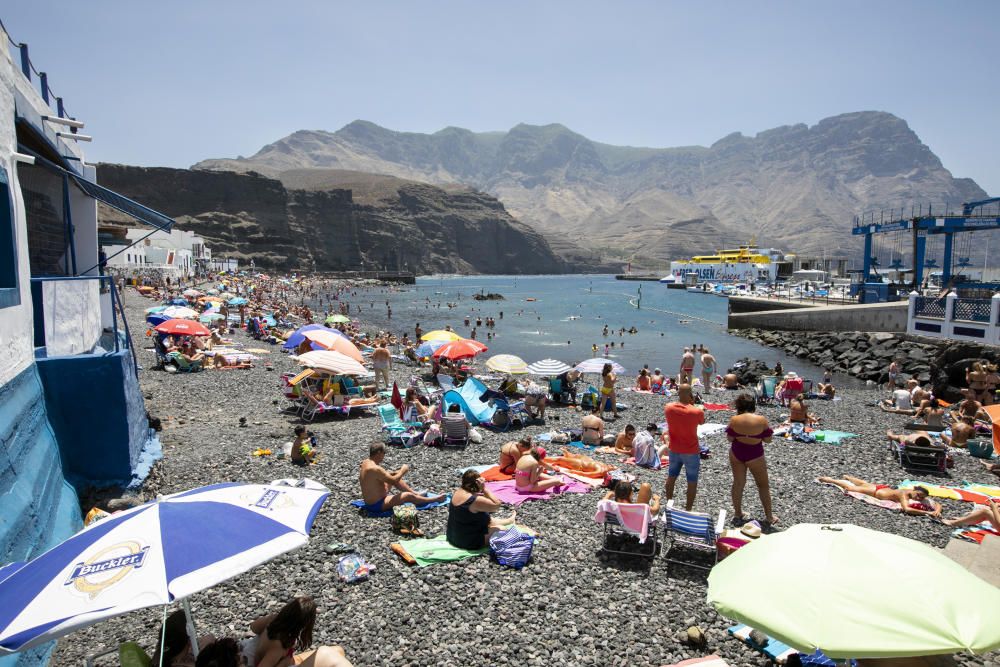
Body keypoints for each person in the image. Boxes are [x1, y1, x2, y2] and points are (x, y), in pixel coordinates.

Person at [242, 596, 353, 667]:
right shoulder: (278, 646)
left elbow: (253, 627)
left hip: (289, 660)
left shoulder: (273, 621)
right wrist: (284, 663)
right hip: (282, 663)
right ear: (303, 624)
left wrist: (270, 617)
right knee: (331, 654)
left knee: (338, 650)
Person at [726, 394, 778, 526]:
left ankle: (738, 513)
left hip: (737, 453)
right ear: (753, 405)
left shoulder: (734, 419)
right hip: (755, 454)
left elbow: (730, 439)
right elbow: (768, 440)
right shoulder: (761, 420)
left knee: (738, 484)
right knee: (763, 486)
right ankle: (769, 517)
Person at [358, 442, 445, 514]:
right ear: (379, 453)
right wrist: (403, 470)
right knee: (407, 496)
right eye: (384, 453)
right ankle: (435, 499)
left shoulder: (365, 462)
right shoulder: (375, 469)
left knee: (394, 475)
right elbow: (393, 480)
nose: (384, 456)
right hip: (376, 504)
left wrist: (396, 472)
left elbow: (377, 476)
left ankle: (416, 494)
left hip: (376, 496)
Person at [446, 470, 518, 549]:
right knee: (502, 530)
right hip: (467, 542)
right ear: (477, 483)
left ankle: (508, 521)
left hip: (453, 537)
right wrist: (484, 489)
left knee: (484, 516)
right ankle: (507, 524)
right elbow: (497, 505)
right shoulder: (475, 500)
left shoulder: (458, 491)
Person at [664, 384, 705, 510]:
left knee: (671, 478)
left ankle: (669, 504)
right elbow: (702, 422)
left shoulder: (668, 408)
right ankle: (688, 509)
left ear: (678, 393)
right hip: (690, 451)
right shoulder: (696, 411)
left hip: (675, 449)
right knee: (691, 481)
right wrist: (693, 403)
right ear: (690, 394)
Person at [818, 476, 942, 517]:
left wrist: (937, 510)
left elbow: (937, 503)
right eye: (918, 496)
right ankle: (831, 480)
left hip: (881, 488)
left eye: (921, 497)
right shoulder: (904, 494)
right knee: (850, 488)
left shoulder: (912, 492)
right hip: (876, 493)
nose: (919, 499)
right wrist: (928, 513)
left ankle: (848, 477)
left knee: (863, 484)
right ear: (915, 490)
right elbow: (907, 509)